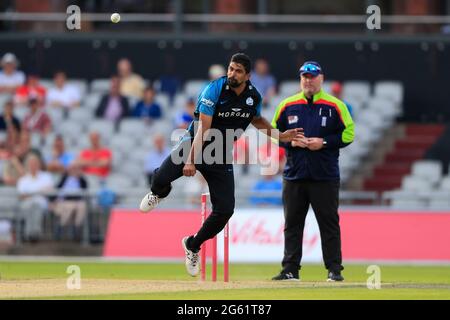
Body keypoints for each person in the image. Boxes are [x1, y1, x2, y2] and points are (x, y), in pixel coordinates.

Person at [139, 53, 301, 277]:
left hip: (221, 153)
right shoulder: (213, 89)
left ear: (248, 76)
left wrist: (281, 136)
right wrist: (191, 160)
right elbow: (203, 129)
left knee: (225, 210)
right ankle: (159, 193)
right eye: (230, 68)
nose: (232, 74)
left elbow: (257, 120)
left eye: (238, 71)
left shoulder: (253, 96)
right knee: (158, 181)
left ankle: (193, 245)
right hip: (194, 145)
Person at [270, 61, 354, 282]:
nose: (308, 80)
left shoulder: (335, 105)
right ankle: (290, 269)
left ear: (321, 79)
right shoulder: (287, 105)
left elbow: (349, 134)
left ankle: (334, 270)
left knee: (328, 224)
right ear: (300, 79)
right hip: (294, 175)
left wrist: (324, 142)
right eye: (304, 77)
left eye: (312, 76)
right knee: (292, 225)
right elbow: (272, 132)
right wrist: (291, 143)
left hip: (324, 176)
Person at [17, 153, 54, 242]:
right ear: (28, 165)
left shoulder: (46, 176)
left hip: (41, 204)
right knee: (31, 206)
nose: (33, 166)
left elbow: (50, 190)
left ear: (39, 164)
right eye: (31, 164)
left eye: (35, 163)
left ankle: (32, 235)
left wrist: (31, 194)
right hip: (27, 204)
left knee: (36, 205)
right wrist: (38, 192)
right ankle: (33, 235)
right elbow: (22, 196)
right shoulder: (23, 179)